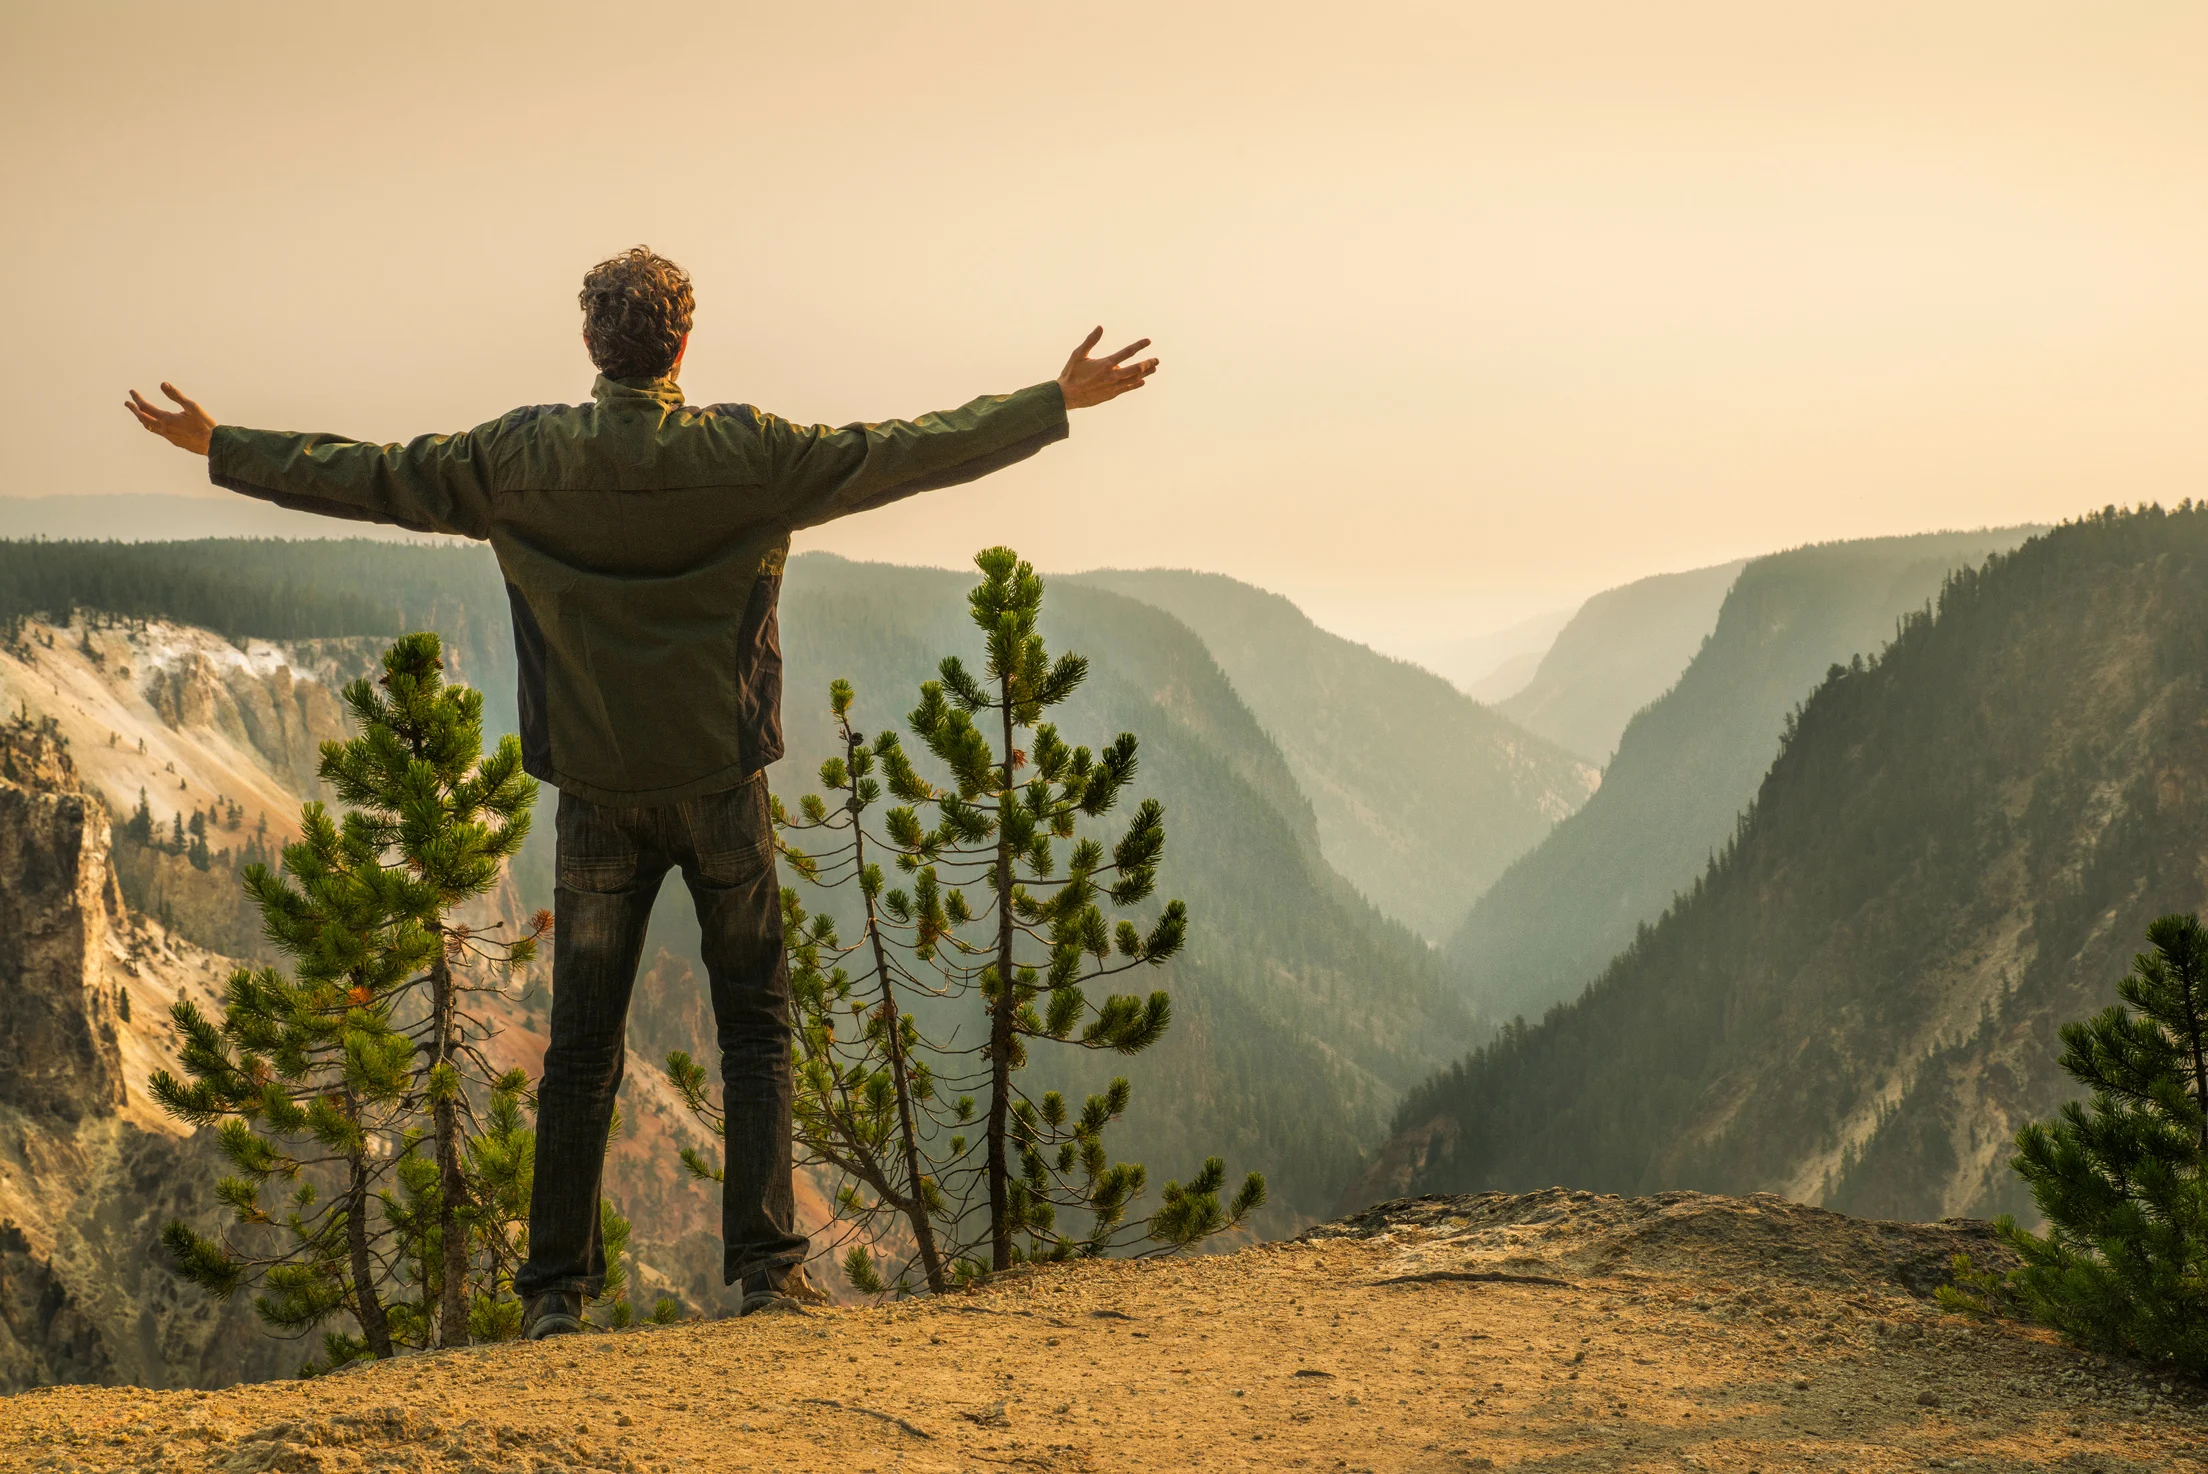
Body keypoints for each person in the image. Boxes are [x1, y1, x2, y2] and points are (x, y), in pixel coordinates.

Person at [127, 246, 1158, 1336]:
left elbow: (372, 474)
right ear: (682, 345)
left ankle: (555, 1297)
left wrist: (222, 446)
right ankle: (768, 1270)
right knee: (755, 1028)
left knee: (580, 1048)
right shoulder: (753, 453)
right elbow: (901, 453)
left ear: (591, 346)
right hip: (720, 784)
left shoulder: (517, 460)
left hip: (598, 796)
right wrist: (1051, 402)